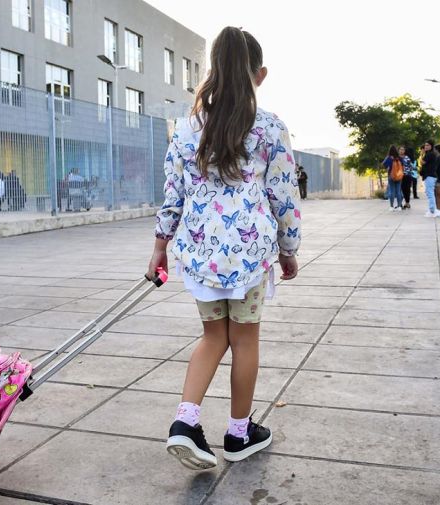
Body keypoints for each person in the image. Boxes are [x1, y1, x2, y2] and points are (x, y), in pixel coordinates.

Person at [148, 27, 301, 470]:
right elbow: (283, 195)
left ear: (211, 70)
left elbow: (172, 194)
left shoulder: (188, 128)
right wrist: (288, 249)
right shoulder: (270, 126)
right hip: (250, 253)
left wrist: (160, 247)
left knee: (213, 336)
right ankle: (238, 433)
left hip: (199, 251)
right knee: (245, 338)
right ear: (260, 74)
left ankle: (185, 422)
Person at [420, 140, 440, 217]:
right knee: (429, 192)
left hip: (430, 175)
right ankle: (432, 209)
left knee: (430, 193)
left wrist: (421, 154)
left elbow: (422, 162)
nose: (426, 147)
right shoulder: (429, 154)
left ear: (431, 146)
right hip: (430, 176)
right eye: (425, 145)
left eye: (428, 145)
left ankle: (432, 210)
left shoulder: (430, 154)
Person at [383, 146, 405, 211]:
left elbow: (384, 164)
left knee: (392, 191)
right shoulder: (400, 158)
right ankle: (399, 206)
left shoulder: (389, 158)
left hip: (391, 176)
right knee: (398, 191)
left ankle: (391, 207)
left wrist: (388, 167)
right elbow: (403, 166)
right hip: (399, 176)